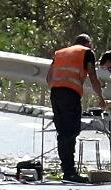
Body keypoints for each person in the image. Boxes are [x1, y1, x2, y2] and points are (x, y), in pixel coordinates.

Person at [45, 33, 105, 182]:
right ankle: (70, 173)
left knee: (62, 132)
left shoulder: (59, 53)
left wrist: (58, 89)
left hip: (55, 93)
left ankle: (67, 169)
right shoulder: (86, 52)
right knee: (71, 132)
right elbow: (92, 76)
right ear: (88, 44)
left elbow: (48, 78)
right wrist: (101, 98)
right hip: (70, 95)